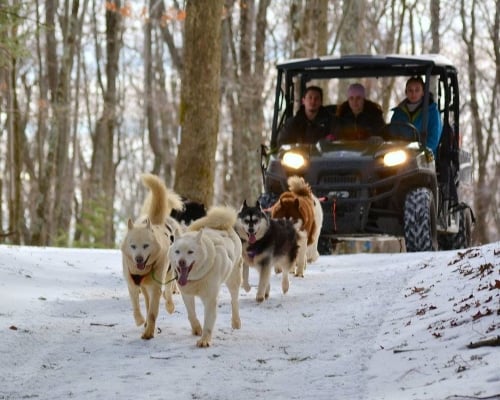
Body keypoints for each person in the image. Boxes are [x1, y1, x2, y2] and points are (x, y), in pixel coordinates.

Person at [390, 76, 442, 157]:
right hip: (400, 156)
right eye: (410, 90)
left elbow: (434, 139)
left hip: (425, 157)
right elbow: (391, 134)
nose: (413, 93)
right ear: (406, 92)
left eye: (417, 90)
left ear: (423, 92)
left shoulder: (432, 112)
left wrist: (420, 152)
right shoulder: (398, 113)